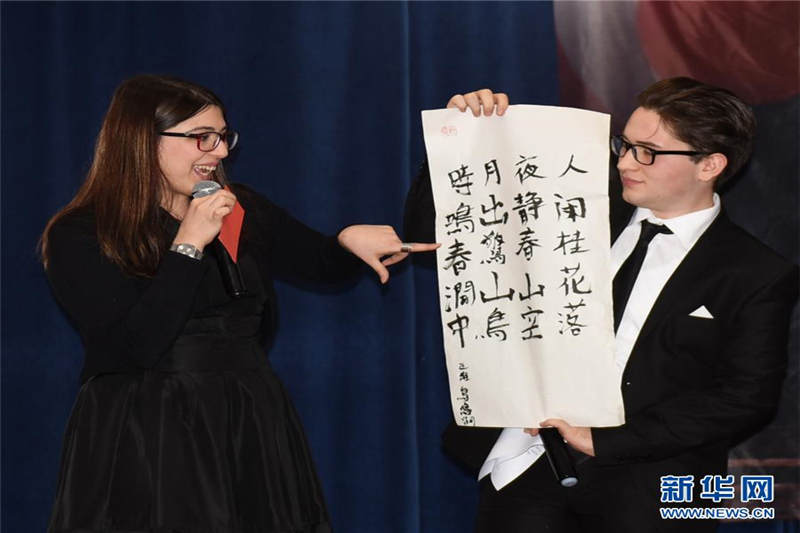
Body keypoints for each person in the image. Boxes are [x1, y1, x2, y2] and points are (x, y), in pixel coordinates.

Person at [41, 74, 437, 533]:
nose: (220, 152)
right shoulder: (82, 232)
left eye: (223, 137)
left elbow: (317, 261)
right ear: (142, 140)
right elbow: (135, 345)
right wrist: (188, 245)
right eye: (201, 137)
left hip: (247, 415)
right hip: (150, 428)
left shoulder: (235, 206)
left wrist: (345, 243)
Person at [404, 79, 798, 532]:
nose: (625, 162)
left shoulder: (754, 272)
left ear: (709, 164)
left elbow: (745, 397)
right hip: (526, 464)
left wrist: (605, 442)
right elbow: (430, 233)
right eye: (624, 145)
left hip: (650, 491)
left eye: (648, 152)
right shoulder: (575, 199)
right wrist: (465, 137)